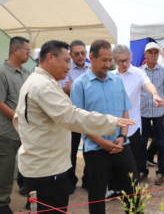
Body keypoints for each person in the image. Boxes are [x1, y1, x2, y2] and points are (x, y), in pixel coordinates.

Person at [14, 40, 135, 213]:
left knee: (132, 190)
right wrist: (111, 122)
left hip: (44, 163)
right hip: (48, 168)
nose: (69, 67)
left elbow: (19, 120)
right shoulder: (44, 86)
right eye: (66, 60)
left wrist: (121, 134)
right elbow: (73, 116)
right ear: (50, 58)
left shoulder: (37, 81)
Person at [70, 40, 141, 214]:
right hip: (96, 149)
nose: (108, 64)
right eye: (104, 60)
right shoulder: (80, 85)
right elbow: (79, 121)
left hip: (121, 146)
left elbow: (125, 111)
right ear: (91, 58)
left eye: (110, 60)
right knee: (97, 195)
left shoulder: (117, 81)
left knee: (133, 190)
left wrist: (123, 137)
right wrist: (101, 142)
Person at [106, 44, 164, 196]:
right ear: (114, 61)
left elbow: (148, 84)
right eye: (120, 61)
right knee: (112, 156)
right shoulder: (110, 75)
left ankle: (133, 189)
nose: (124, 64)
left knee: (132, 160)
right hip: (113, 124)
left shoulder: (138, 73)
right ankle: (114, 188)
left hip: (132, 126)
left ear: (131, 59)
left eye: (126, 60)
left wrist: (155, 94)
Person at [0, 37, 30, 214]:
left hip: (27, 132)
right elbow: (0, 102)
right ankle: (2, 203)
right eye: (27, 51)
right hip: (8, 132)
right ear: (15, 51)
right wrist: (20, 120)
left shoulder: (27, 73)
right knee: (6, 168)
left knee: (30, 165)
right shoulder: (2, 72)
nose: (29, 54)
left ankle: (31, 197)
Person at [59, 40, 91, 194]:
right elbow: (63, 90)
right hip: (71, 117)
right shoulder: (66, 69)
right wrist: (82, 88)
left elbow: (93, 90)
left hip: (89, 116)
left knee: (90, 149)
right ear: (71, 55)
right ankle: (70, 181)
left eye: (83, 53)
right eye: (76, 53)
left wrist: (75, 87)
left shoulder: (92, 68)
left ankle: (88, 180)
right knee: (70, 151)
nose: (80, 56)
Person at [140, 42, 164, 185]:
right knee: (141, 143)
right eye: (150, 52)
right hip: (142, 112)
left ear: (158, 55)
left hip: (159, 112)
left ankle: (160, 172)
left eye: (155, 52)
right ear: (145, 54)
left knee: (160, 143)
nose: (153, 54)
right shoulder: (139, 71)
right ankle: (142, 171)